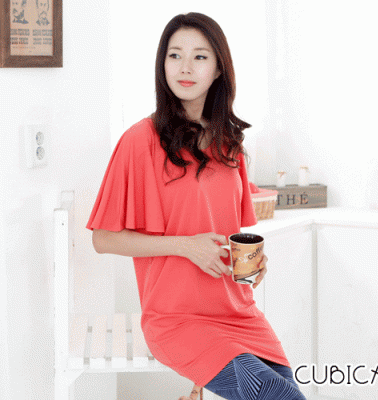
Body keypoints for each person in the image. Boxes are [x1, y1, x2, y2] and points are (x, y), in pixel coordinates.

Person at [87, 12, 306, 400]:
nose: (185, 67)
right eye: (175, 55)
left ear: (219, 68)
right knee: (278, 395)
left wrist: (253, 263)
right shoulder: (139, 140)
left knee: (288, 393)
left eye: (200, 57)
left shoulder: (229, 143)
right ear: (163, 64)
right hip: (177, 319)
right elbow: (103, 239)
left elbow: (232, 233)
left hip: (239, 313)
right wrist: (184, 246)